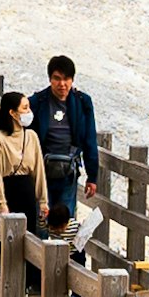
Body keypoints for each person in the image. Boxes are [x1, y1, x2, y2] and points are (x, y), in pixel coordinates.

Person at [25, 55, 97, 236]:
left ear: (72, 80)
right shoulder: (37, 102)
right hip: (41, 172)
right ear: (50, 79)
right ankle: (38, 263)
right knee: (42, 222)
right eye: (57, 78)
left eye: (66, 79)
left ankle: (63, 263)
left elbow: (89, 139)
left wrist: (92, 176)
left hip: (68, 172)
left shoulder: (82, 102)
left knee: (65, 224)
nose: (62, 84)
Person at [0, 90, 41, 242]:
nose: (29, 112)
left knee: (29, 239)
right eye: (25, 108)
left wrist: (43, 201)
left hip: (27, 191)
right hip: (7, 190)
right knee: (3, 240)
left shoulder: (32, 136)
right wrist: (1, 204)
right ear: (13, 113)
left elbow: (39, 171)